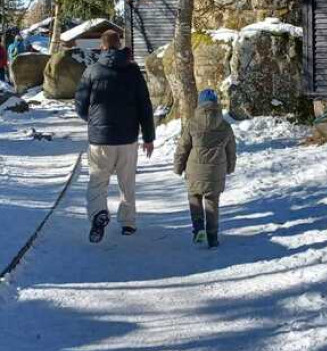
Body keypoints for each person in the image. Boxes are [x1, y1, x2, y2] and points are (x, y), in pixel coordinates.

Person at [75, 30, 155, 243]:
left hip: (100, 139)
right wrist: (148, 137)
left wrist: (92, 121)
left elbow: (80, 105)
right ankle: (128, 222)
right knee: (127, 182)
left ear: (102, 46)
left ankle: (98, 214)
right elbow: (145, 105)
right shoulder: (133, 71)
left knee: (97, 182)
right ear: (120, 46)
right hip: (128, 138)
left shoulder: (91, 71)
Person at [174, 89, 236, 249]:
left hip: (194, 170)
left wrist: (178, 167)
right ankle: (213, 236)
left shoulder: (192, 123)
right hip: (216, 171)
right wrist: (230, 167)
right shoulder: (225, 125)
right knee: (212, 202)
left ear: (199, 104)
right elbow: (231, 150)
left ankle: (198, 228)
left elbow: (183, 148)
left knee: (194, 197)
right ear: (216, 104)